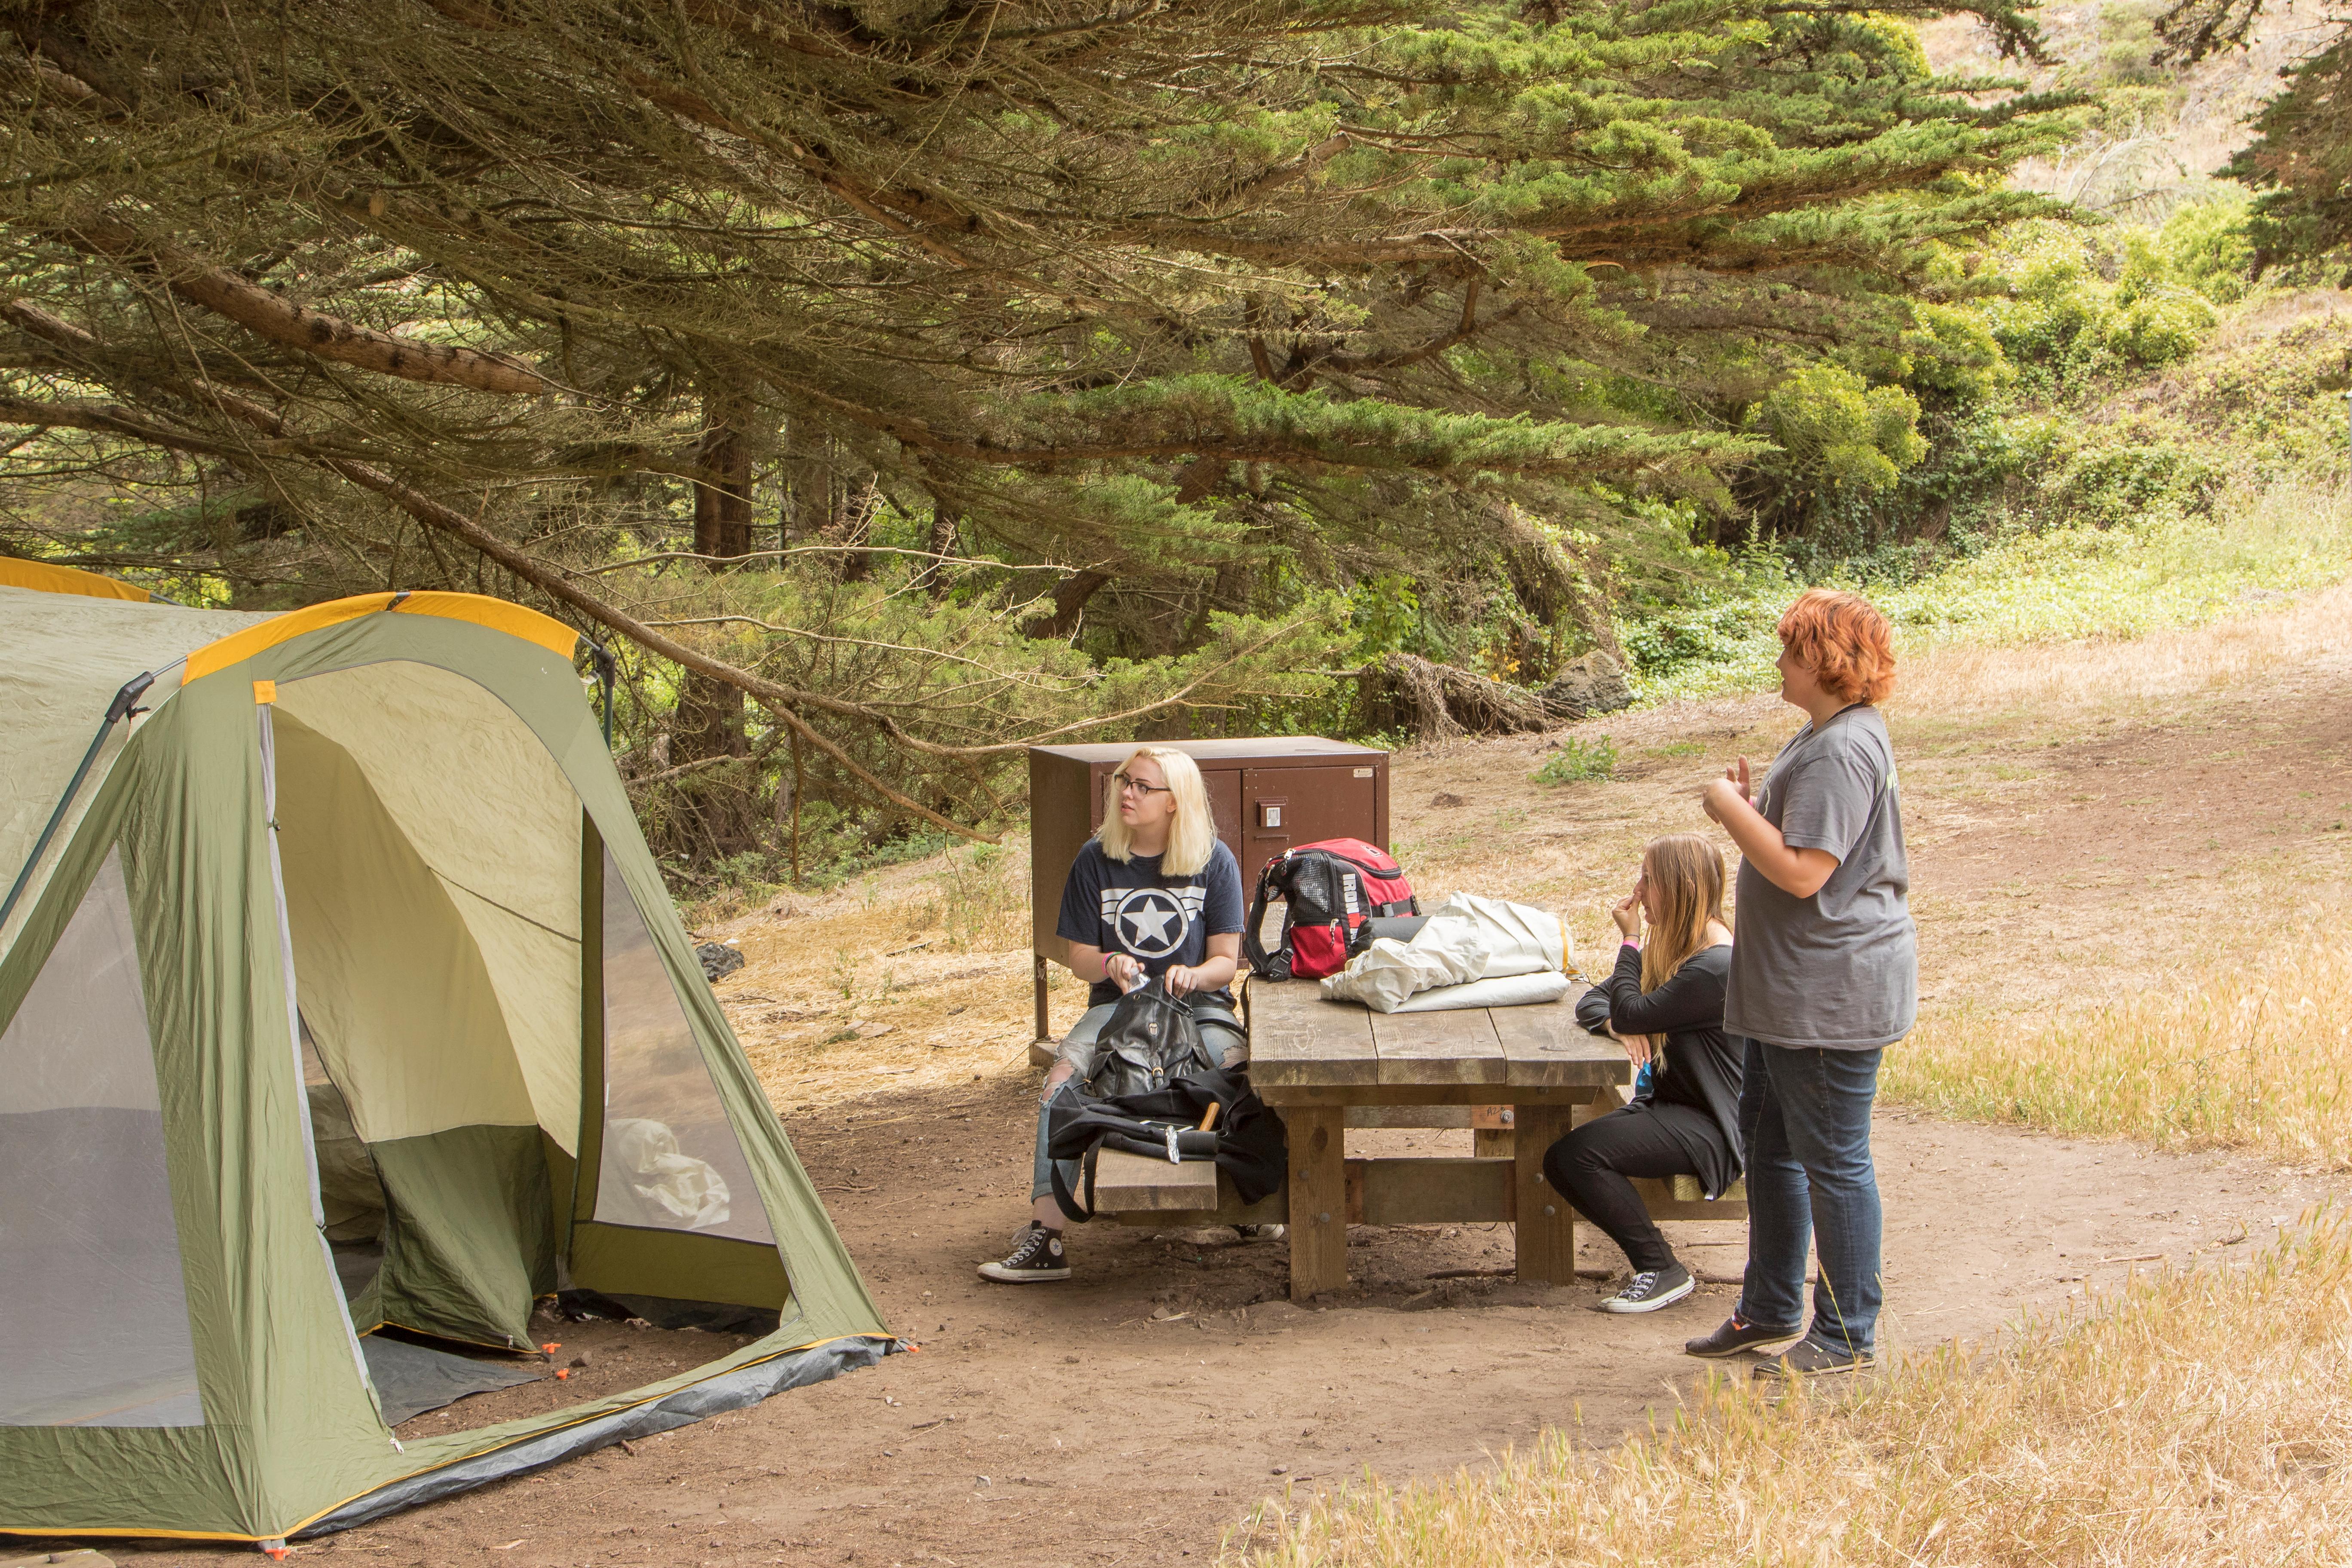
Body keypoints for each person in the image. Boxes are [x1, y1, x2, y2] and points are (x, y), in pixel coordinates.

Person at [1688, 588, 1915, 1378]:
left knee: (1832, 1159)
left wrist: (1726, 810)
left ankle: (1848, 1330)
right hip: (1791, 996)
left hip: (1829, 997)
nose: (1779, 664)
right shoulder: (1825, 734)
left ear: (1823, 662)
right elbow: (1805, 839)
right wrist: (1756, 808)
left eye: (1790, 651)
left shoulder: (1842, 748)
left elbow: (1801, 871)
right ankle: (1771, 1305)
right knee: (1773, 1148)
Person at [978, 746, 1247, 1283]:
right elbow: (1078, 958)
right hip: (1116, 1007)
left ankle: (1256, 1208)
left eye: (1144, 787)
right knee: (1062, 1082)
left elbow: (1226, 959)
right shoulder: (1094, 859)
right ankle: (1046, 1236)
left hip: (1199, 1005)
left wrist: (1194, 975)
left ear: (1176, 803)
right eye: (1126, 782)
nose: (1127, 792)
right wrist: (1109, 962)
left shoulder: (1214, 860)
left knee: (1240, 1072)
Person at [1543, 834, 1743, 1314]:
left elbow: (1632, 1008)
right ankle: (1659, 1266)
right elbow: (1596, 999)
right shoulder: (1676, 948)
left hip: (1715, 1125)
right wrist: (1618, 1023)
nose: (1638, 889)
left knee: (1575, 1157)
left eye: (1648, 879)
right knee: (1571, 1153)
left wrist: (1629, 942)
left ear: (1679, 886)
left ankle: (1661, 1269)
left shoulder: (1714, 967)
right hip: (1674, 1107)